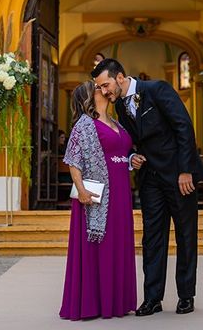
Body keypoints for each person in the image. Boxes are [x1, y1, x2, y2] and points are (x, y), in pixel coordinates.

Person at [92, 59, 203, 316]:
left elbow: (183, 127)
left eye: (106, 85)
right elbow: (131, 140)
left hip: (179, 176)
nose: (104, 92)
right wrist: (132, 156)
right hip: (150, 180)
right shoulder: (120, 104)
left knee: (186, 236)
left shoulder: (158, 89)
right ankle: (152, 298)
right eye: (100, 88)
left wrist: (185, 170)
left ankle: (186, 295)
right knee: (152, 239)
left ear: (120, 77)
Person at [59, 81, 139, 320]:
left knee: (118, 242)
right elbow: (74, 160)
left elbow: (122, 152)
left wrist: (132, 158)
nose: (104, 90)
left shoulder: (115, 122)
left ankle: (116, 301)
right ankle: (93, 303)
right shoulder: (84, 124)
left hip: (121, 191)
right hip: (95, 195)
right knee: (99, 245)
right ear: (89, 98)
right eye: (97, 89)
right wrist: (81, 189)